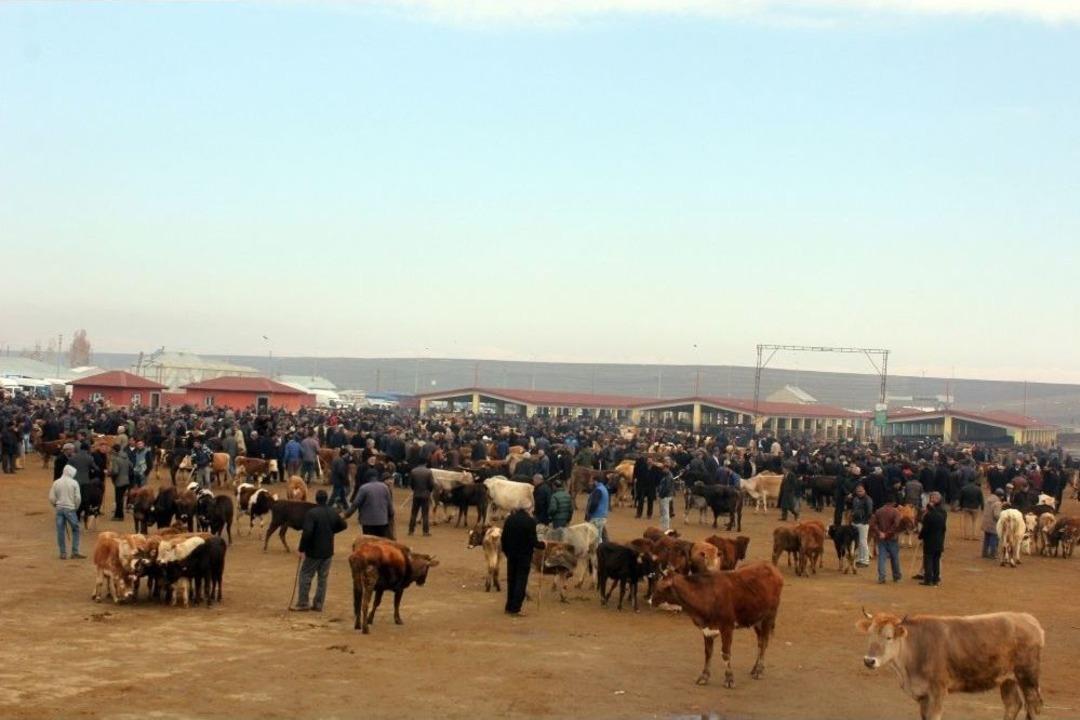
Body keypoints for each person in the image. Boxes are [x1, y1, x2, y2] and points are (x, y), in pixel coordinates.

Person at [293, 490, 347, 612]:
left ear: (316, 499)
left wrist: (301, 548)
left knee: (305, 575)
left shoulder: (312, 513)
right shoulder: (332, 511)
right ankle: (318, 604)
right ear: (326, 499)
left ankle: (303, 603)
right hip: (328, 551)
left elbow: (307, 533)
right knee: (322, 579)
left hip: (313, 551)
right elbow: (343, 525)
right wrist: (331, 531)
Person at [500, 507, 544, 616]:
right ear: (528, 509)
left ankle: (509, 606)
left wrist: (507, 552)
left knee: (511, 580)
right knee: (521, 581)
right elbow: (533, 541)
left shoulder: (509, 519)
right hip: (524, 556)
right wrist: (543, 545)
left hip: (511, 555)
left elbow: (503, 539)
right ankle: (515, 608)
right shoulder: (530, 521)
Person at [49, 465, 83, 560]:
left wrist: (55, 504)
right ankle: (75, 552)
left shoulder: (56, 482)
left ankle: (62, 553)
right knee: (76, 529)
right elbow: (78, 498)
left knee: (60, 531)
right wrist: (75, 507)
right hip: (70, 509)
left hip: (59, 508)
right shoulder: (74, 483)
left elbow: (51, 497)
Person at [918, 491, 947, 586]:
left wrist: (920, 536)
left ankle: (928, 579)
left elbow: (925, 528)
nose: (932, 500)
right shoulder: (942, 514)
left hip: (930, 541)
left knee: (928, 560)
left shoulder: (928, 516)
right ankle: (936, 579)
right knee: (936, 560)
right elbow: (944, 528)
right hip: (939, 539)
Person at [871, 499, 903, 584]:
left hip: (881, 538)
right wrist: (887, 534)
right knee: (895, 558)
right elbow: (896, 525)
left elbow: (873, 524)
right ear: (893, 503)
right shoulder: (896, 512)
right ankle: (896, 576)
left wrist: (879, 533)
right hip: (892, 538)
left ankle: (881, 577)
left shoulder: (878, 511)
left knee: (881, 558)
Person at [850, 483, 874, 568]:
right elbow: (853, 509)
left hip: (863, 524)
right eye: (857, 491)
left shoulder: (868, 499)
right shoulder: (855, 499)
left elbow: (869, 512)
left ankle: (865, 560)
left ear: (864, 491)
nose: (859, 492)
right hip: (855, 522)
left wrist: (864, 521)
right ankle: (860, 559)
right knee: (858, 542)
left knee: (863, 542)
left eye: (861, 491)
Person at [408, 459, 434, 536]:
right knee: (425, 514)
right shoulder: (429, 472)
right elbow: (431, 484)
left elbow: (411, 484)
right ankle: (425, 532)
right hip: (425, 495)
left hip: (416, 494)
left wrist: (415, 489)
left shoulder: (413, 471)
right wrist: (429, 491)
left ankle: (411, 530)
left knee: (414, 513)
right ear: (425, 463)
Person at [108, 443, 131, 521]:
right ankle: (119, 515)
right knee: (121, 499)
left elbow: (115, 471)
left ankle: (119, 516)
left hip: (119, 481)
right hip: (126, 480)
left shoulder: (116, 459)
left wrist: (109, 473)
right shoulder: (126, 457)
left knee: (118, 500)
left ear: (115, 450)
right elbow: (131, 466)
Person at [584, 475, 610, 542]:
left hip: (596, 516)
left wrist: (589, 513)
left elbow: (594, 503)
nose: (590, 483)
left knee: (595, 538)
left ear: (595, 481)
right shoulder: (603, 489)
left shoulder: (598, 490)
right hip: (602, 515)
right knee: (599, 535)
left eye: (592, 481)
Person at [958, 475, 984, 540]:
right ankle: (975, 536)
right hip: (975, 507)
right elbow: (981, 499)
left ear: (968, 480)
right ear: (974, 481)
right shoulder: (978, 489)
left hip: (966, 506)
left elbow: (961, 499)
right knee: (975, 522)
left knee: (966, 521)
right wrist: (982, 507)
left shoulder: (964, 488)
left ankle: (966, 536)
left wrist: (960, 506)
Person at [981, 488, 1005, 559]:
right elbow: (996, 515)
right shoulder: (998, 503)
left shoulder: (988, 499)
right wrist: (1002, 518)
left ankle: (984, 553)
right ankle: (993, 554)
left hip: (986, 522)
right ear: (1000, 496)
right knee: (994, 539)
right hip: (993, 524)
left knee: (986, 539)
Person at [532, 473, 552, 539]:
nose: (533, 482)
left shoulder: (540, 490)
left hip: (541, 515)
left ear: (538, 480)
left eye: (534, 480)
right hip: (546, 514)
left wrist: (535, 513)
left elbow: (539, 503)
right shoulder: (547, 487)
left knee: (539, 532)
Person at [656, 464, 675, 531]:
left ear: (667, 468)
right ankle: (662, 526)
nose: (663, 470)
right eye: (663, 469)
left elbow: (667, 488)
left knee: (665, 512)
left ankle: (666, 527)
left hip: (666, 496)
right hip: (665, 496)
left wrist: (662, 495)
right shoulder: (666, 476)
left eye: (664, 469)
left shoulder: (669, 476)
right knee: (663, 512)